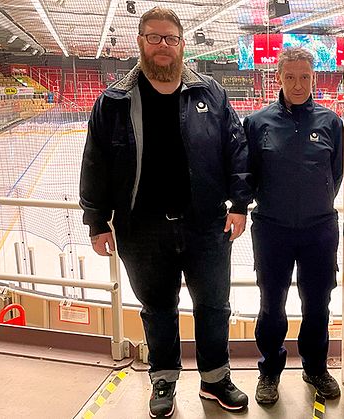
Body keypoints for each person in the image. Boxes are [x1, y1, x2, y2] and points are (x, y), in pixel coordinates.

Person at [79, 6, 251, 417]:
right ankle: (164, 379)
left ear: (181, 45)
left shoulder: (210, 92)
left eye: (170, 38)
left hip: (205, 223)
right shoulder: (114, 101)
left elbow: (236, 148)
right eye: (153, 37)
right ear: (140, 42)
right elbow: (95, 162)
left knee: (214, 304)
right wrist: (97, 220)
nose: (162, 45)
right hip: (142, 228)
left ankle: (215, 379)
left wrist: (240, 204)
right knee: (157, 307)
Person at [243, 47, 344, 405]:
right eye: (291, 77)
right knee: (272, 304)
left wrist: (316, 202)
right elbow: (248, 174)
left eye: (305, 77)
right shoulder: (257, 123)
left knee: (318, 304)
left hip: (319, 230)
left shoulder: (331, 122)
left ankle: (315, 367)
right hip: (272, 230)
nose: (298, 84)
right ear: (279, 78)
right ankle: (269, 370)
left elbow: (336, 173)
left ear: (314, 78)